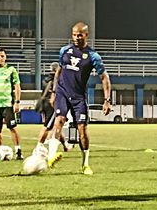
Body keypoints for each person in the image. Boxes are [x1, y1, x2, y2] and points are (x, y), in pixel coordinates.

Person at [47, 22, 111, 175]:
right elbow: (59, 72)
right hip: (62, 92)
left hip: (78, 97)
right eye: (74, 34)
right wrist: (54, 92)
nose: (76, 37)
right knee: (59, 120)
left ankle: (85, 164)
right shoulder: (64, 51)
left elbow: (104, 77)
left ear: (86, 35)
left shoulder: (93, 56)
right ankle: (50, 157)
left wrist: (107, 100)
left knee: (82, 129)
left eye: (80, 35)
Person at [33, 62, 71, 155]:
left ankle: (65, 145)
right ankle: (38, 146)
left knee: (57, 125)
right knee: (47, 126)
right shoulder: (57, 79)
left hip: (45, 103)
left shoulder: (46, 79)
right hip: (53, 103)